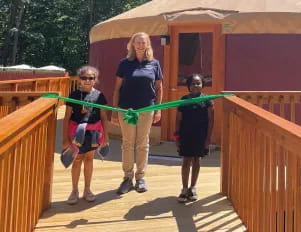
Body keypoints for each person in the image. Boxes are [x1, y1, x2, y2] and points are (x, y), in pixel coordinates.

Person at [111, 32, 163, 194]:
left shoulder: (154, 64)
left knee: (142, 143)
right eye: (137, 42)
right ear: (132, 45)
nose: (140, 45)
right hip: (127, 109)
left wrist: (157, 109)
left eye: (143, 42)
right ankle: (127, 178)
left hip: (146, 109)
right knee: (127, 143)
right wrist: (114, 111)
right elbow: (117, 88)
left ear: (148, 45)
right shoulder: (125, 63)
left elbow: (159, 87)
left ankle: (140, 177)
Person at [62, 65, 109, 205]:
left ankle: (87, 189)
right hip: (76, 132)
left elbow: (104, 117)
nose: (87, 80)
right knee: (77, 160)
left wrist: (106, 137)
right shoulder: (74, 95)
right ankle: (74, 190)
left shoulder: (99, 96)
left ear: (95, 80)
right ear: (79, 80)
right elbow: (66, 117)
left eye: (91, 78)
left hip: (93, 132)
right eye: (84, 78)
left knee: (89, 159)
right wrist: (65, 139)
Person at [175, 74, 214, 203]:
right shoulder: (183, 100)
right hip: (186, 135)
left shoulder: (207, 100)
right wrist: (177, 136)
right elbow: (178, 119)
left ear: (202, 85)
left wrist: (208, 139)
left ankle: (193, 188)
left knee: (197, 160)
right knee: (186, 161)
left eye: (198, 83)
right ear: (189, 86)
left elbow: (210, 120)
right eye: (193, 83)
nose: (196, 86)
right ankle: (184, 188)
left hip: (200, 136)